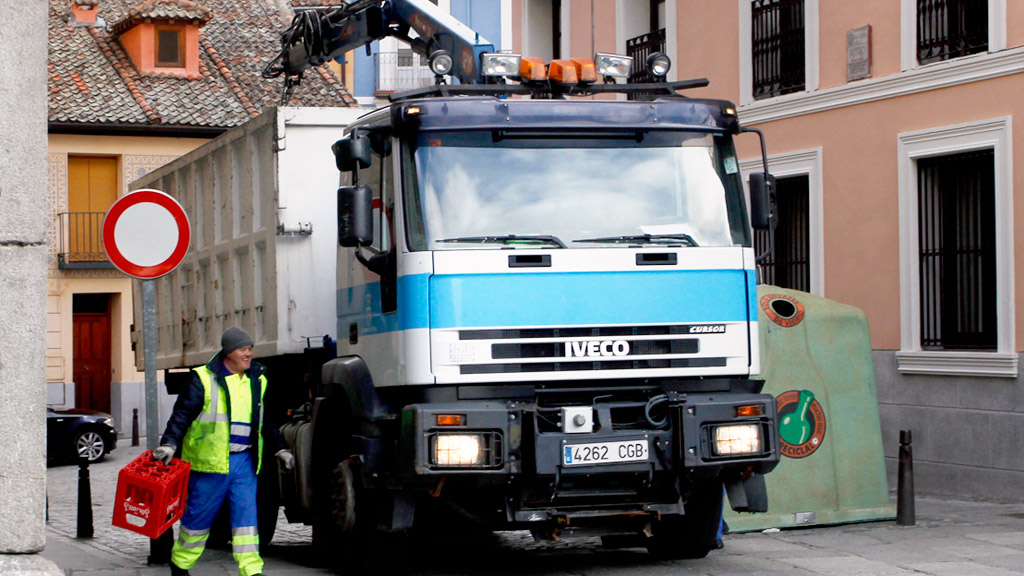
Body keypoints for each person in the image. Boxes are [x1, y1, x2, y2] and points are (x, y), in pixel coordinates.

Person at [153, 326, 294, 576]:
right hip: (210, 464)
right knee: (198, 520)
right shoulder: (203, 378)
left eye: (250, 349)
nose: (248, 354)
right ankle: (181, 564)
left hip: (244, 463)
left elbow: (266, 421)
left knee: (247, 521)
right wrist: (169, 444)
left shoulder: (257, 379)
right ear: (229, 352)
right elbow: (181, 415)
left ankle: (252, 570)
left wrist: (281, 448)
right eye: (243, 349)